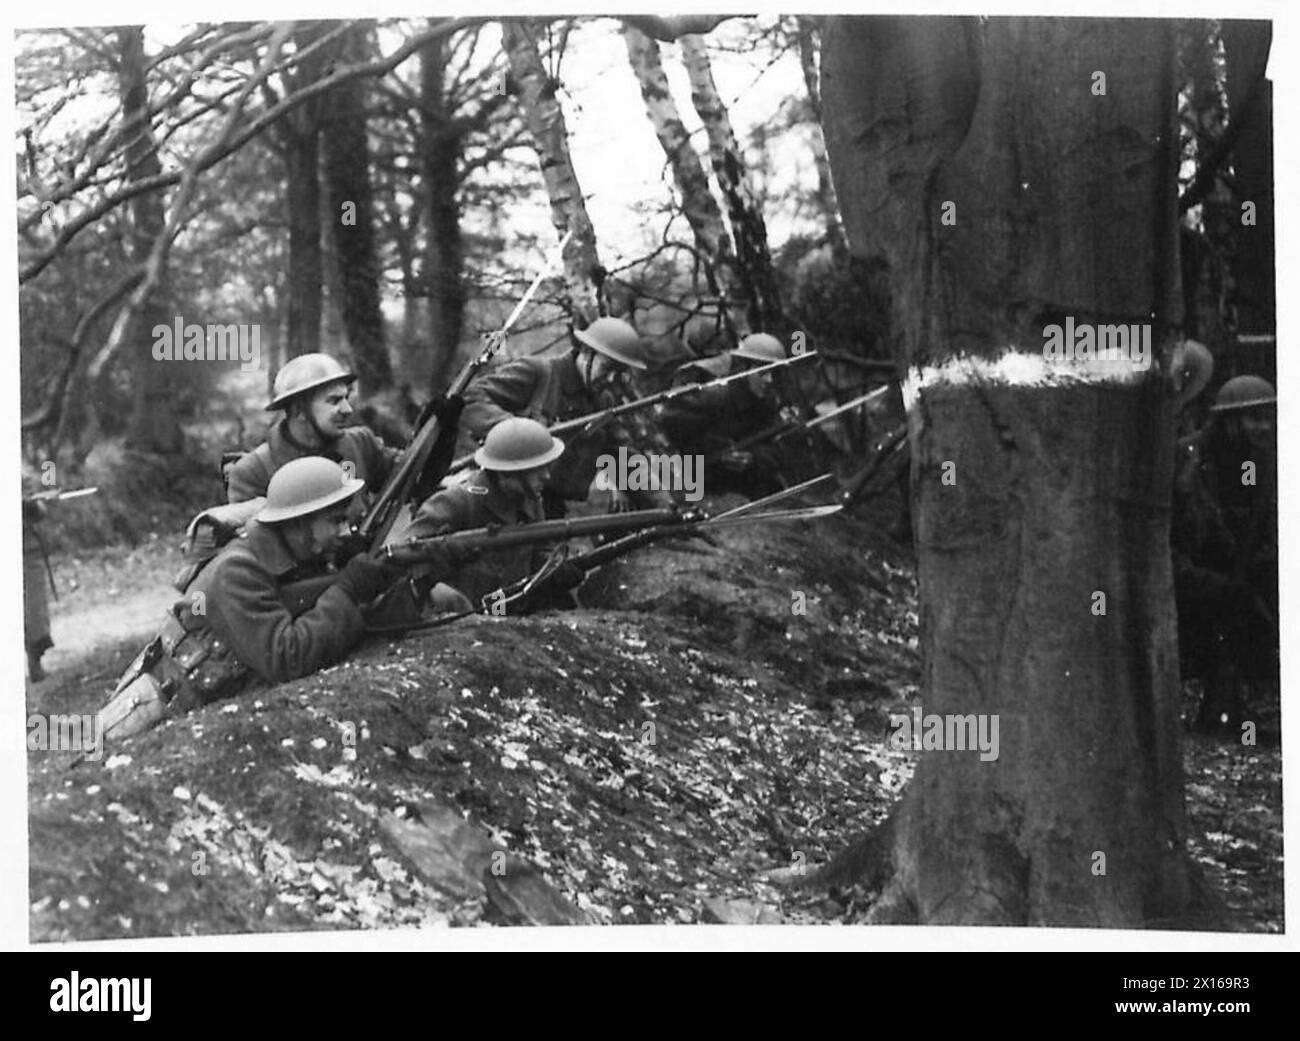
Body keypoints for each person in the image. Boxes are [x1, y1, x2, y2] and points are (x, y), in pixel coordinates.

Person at [98, 457, 425, 742]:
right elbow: (288, 657)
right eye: (335, 520)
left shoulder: (295, 557)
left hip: (206, 712)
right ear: (299, 522)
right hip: (154, 714)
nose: (346, 531)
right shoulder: (237, 571)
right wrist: (349, 590)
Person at [459, 316, 671, 516]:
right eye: (607, 368)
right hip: (501, 498)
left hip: (549, 507)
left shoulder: (603, 402)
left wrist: (665, 505)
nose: (611, 379)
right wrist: (517, 433)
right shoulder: (539, 373)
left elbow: (626, 461)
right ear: (586, 352)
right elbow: (471, 398)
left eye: (620, 372)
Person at [1172, 372, 1277, 731]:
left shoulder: (1258, 464)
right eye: (1254, 419)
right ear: (1230, 422)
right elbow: (1184, 537)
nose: (1263, 428)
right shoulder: (1191, 460)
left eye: (1267, 418)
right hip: (1188, 574)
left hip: (1233, 572)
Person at [406, 417, 582, 610]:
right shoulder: (458, 502)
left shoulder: (529, 501)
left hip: (507, 614)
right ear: (511, 471)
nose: (546, 476)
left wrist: (554, 567)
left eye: (547, 467)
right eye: (538, 468)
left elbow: (539, 551)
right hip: (455, 621)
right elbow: (402, 558)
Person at [226, 353, 398, 504]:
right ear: (299, 410)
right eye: (334, 400)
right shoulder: (253, 472)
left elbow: (410, 473)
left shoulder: (361, 444)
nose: (347, 409)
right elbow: (251, 536)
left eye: (346, 398)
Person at [659, 332, 792, 499]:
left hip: (743, 485)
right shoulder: (712, 397)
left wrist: (752, 459)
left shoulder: (767, 402)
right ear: (745, 368)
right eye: (763, 373)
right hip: (700, 487)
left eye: (775, 373)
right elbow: (667, 431)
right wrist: (713, 450)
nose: (770, 380)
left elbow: (777, 450)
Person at [22, 489, 53, 682]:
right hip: (24, 552)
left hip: (28, 551)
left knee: (35, 610)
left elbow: (40, 511)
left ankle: (34, 662)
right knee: (33, 610)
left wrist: (32, 503)